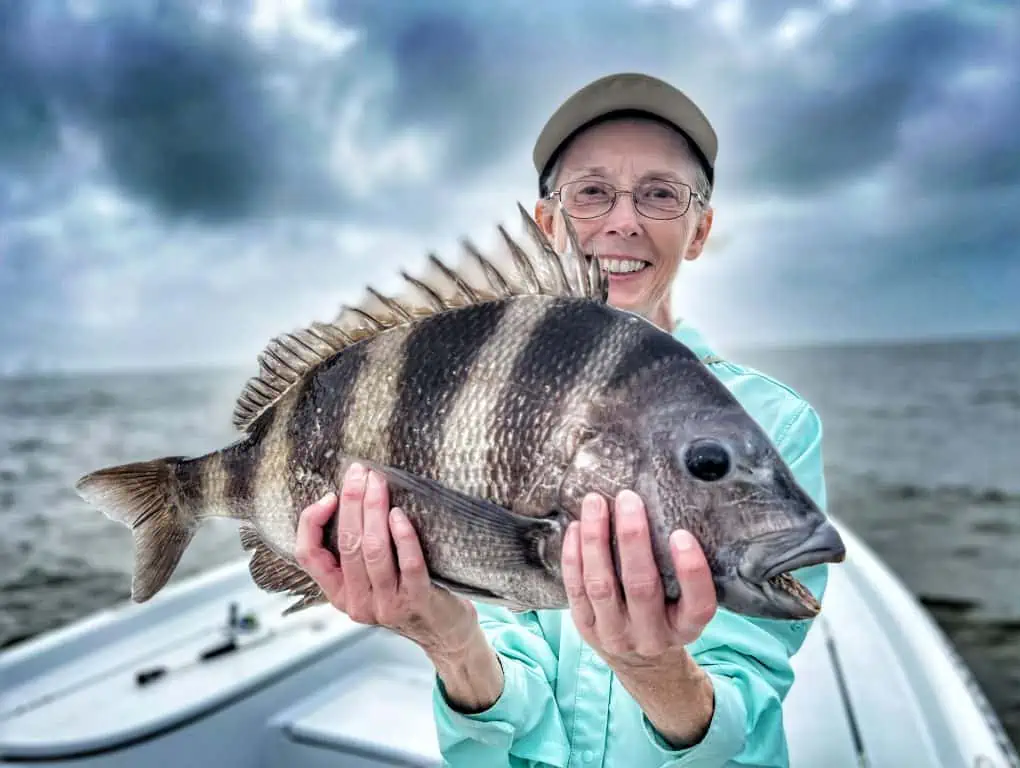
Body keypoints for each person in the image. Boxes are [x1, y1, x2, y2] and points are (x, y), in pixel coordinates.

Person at [294, 72, 831, 767]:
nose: (623, 220)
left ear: (700, 229)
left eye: (661, 194)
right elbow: (498, 729)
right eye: (591, 192)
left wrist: (654, 670)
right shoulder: (469, 396)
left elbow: (743, 710)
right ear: (549, 225)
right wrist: (449, 640)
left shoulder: (779, 424)